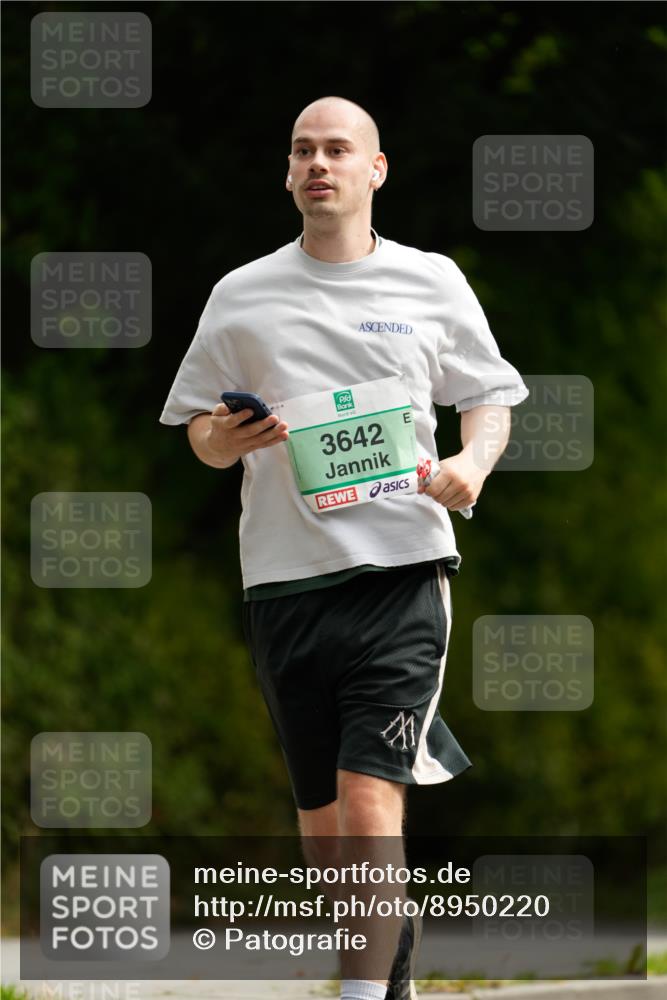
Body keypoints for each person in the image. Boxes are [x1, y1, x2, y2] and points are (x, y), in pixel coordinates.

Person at [160, 95, 529, 1000]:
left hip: (402, 571)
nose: (317, 163)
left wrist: (470, 465)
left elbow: (489, 395)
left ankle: (362, 996)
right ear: (288, 174)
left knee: (370, 800)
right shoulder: (241, 294)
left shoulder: (430, 280)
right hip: (284, 582)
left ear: (375, 170)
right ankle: (385, 979)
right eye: (301, 151)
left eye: (336, 149)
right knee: (326, 831)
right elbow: (197, 431)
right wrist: (225, 438)